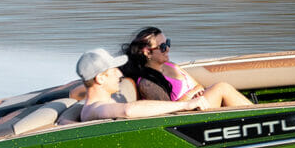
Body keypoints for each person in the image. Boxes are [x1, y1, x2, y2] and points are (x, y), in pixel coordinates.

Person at [123, 27, 254, 110]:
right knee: (221, 87)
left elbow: (198, 86)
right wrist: (191, 96)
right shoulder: (147, 83)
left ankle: (258, 114)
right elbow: (167, 111)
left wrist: (197, 92)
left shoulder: (172, 66)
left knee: (221, 87)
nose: (167, 49)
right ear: (147, 52)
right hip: (186, 117)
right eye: (162, 46)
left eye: (167, 43)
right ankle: (260, 115)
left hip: (199, 104)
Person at [69, 48, 207, 121]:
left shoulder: (94, 104)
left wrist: (65, 120)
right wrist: (186, 105)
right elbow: (127, 111)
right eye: (113, 70)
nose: (120, 74)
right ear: (100, 78)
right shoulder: (97, 108)